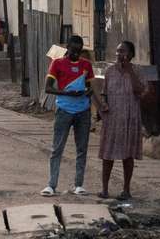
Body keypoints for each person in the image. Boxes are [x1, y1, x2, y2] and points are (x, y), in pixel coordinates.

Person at [42, 34, 95, 197]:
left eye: (78, 51)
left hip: (83, 110)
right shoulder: (57, 63)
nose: (76, 54)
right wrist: (66, 92)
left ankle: (79, 184)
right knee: (57, 148)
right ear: (68, 48)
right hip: (64, 109)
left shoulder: (86, 64)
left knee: (82, 148)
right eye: (73, 50)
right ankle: (51, 184)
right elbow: (48, 88)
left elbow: (90, 87)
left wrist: (86, 92)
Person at [97, 40, 148, 200]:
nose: (120, 54)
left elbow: (140, 90)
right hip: (112, 118)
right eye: (118, 51)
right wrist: (103, 105)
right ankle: (104, 189)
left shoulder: (137, 71)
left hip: (130, 118)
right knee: (108, 154)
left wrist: (129, 71)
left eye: (123, 51)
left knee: (128, 155)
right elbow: (104, 93)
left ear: (131, 55)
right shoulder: (109, 71)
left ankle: (126, 190)